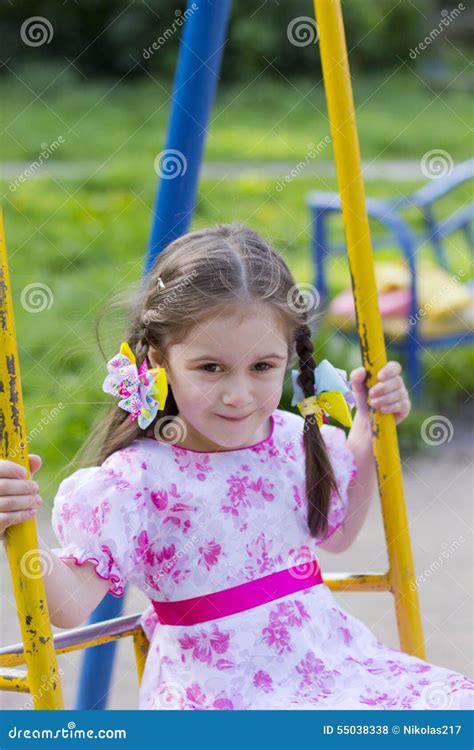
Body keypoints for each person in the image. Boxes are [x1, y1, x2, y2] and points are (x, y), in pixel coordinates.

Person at [1, 224, 472, 710]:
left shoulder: (292, 438)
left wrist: (372, 425)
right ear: (161, 361)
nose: (238, 395)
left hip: (330, 664)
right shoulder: (139, 480)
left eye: (262, 367)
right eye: (211, 368)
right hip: (224, 693)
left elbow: (337, 534)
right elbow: (70, 605)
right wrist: (19, 528)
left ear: (288, 356)